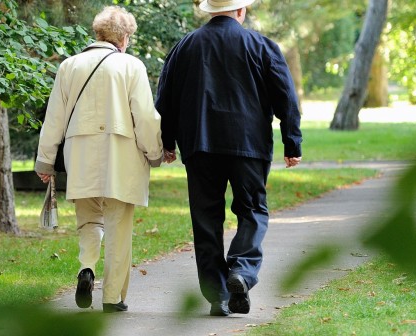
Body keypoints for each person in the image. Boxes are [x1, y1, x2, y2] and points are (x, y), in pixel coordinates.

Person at [156, 0, 303, 316]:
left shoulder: (185, 47)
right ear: (241, 11)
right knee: (252, 210)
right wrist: (292, 142)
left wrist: (167, 142)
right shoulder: (261, 45)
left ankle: (218, 295)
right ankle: (242, 269)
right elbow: (286, 97)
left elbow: (165, 99)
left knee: (206, 218)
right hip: (248, 144)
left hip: (199, 144)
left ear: (210, 10)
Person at [35, 6, 163, 313]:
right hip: (122, 158)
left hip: (80, 155)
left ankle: (86, 269)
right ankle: (112, 297)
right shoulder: (131, 66)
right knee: (119, 226)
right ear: (124, 37)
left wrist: (45, 161)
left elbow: (54, 118)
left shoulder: (69, 66)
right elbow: (145, 117)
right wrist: (155, 153)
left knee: (89, 220)